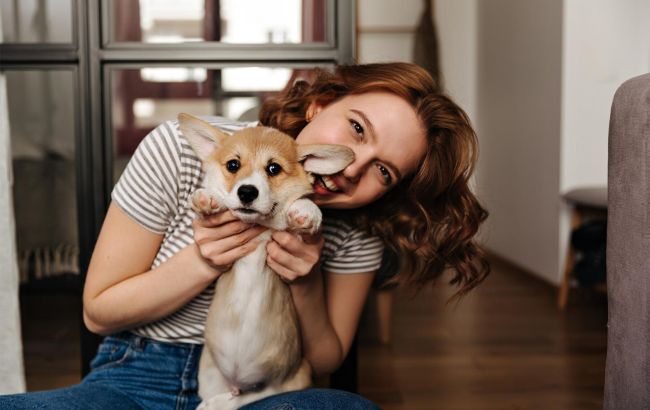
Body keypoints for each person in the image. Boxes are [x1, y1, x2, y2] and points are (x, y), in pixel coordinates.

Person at [0, 62, 489, 409]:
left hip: (271, 387)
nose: (352, 170)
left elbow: (325, 358)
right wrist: (202, 260)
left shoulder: (359, 226)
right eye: (356, 130)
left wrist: (304, 279)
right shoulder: (184, 150)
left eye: (383, 171)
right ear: (320, 105)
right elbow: (97, 312)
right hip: (136, 375)